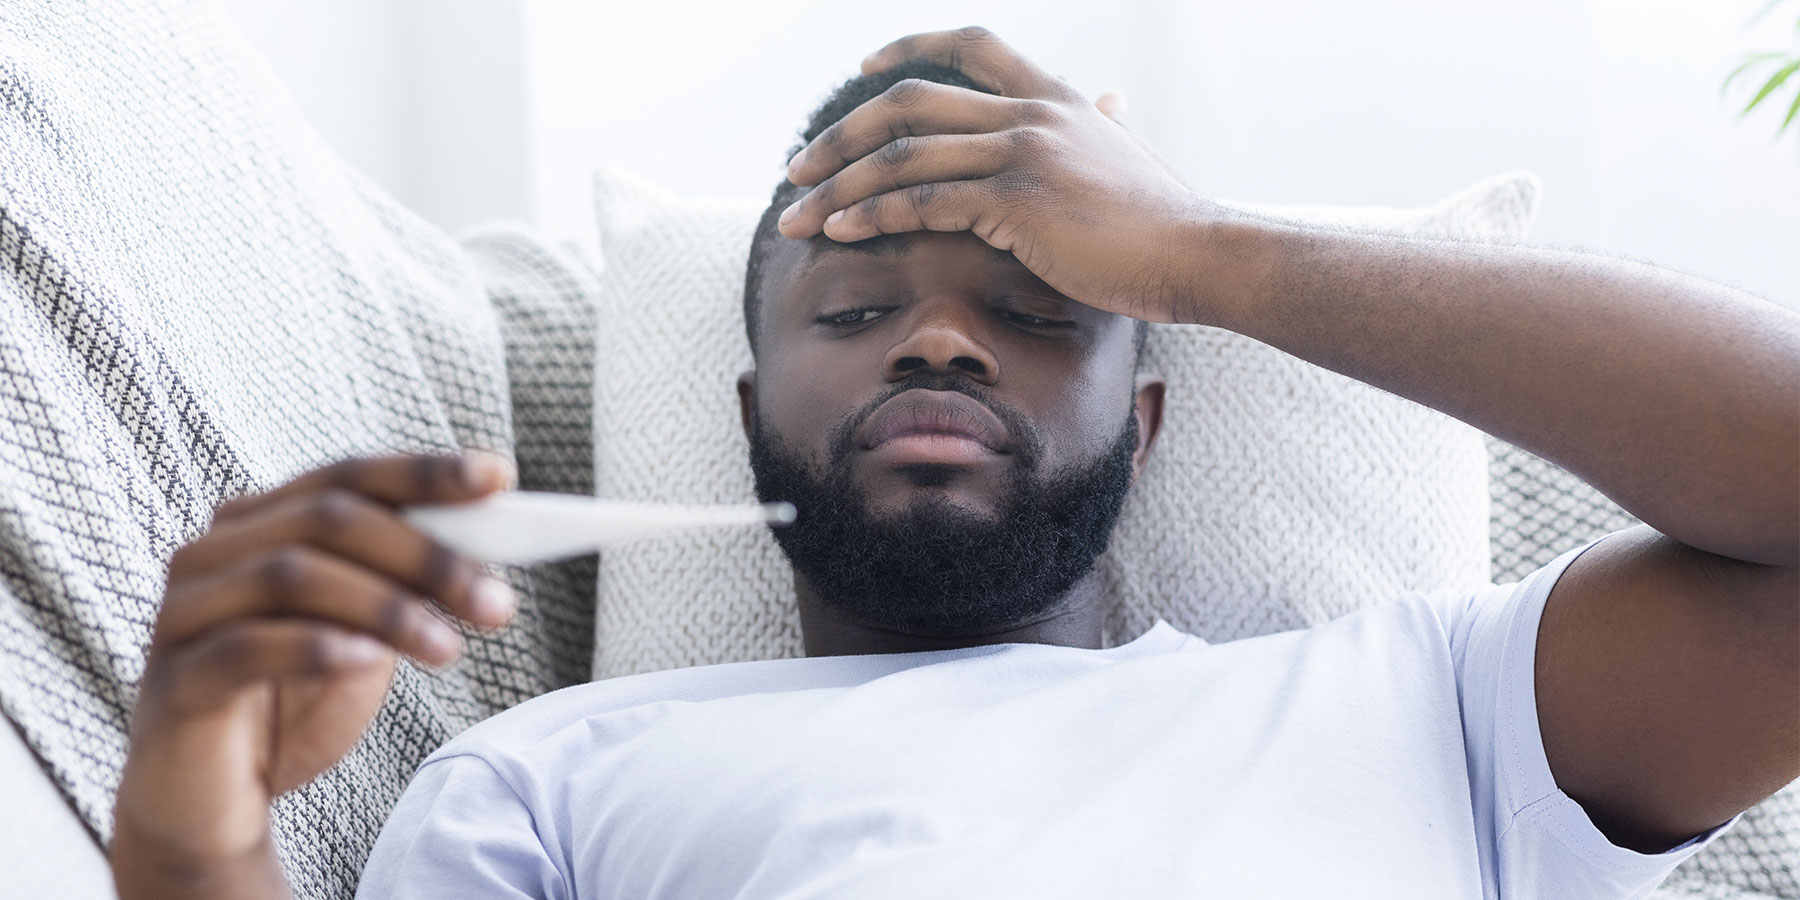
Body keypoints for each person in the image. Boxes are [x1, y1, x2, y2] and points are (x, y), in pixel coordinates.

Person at [110, 28, 1798, 900]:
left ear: (1146, 422)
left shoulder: (1438, 700)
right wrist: (188, 847)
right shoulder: (551, 777)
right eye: (854, 307)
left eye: (1039, 308)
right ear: (754, 400)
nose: (937, 342)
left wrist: (1205, 250)